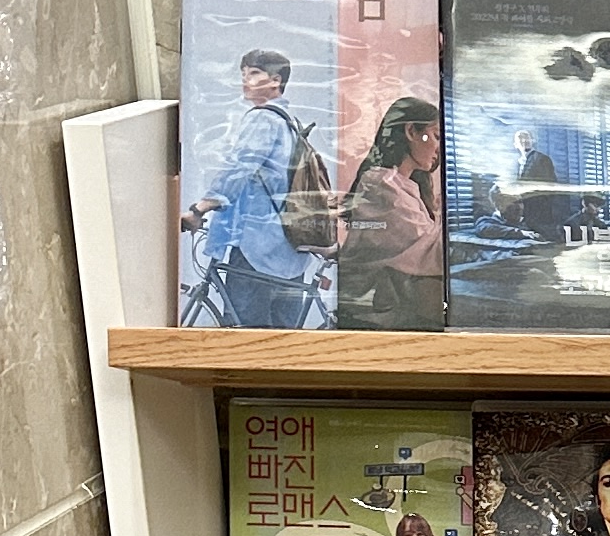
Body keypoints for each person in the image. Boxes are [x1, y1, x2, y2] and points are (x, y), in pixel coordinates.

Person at [182, 47, 327, 326]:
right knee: (283, 340)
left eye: (254, 73)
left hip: (256, 250)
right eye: (243, 74)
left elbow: (239, 169)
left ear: (275, 80)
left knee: (244, 336)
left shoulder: (263, 118)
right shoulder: (291, 124)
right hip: (289, 252)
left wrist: (199, 209)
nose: (245, 81)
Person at [335, 93, 443, 328]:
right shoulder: (381, 184)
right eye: (435, 136)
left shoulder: (405, 185)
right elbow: (425, 252)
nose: (438, 148)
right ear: (411, 131)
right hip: (369, 311)